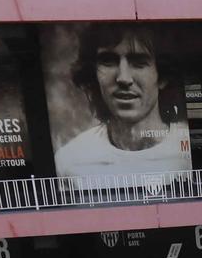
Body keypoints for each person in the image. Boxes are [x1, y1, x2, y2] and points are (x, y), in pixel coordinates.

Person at [55, 25, 192, 177]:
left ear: (163, 76)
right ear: (93, 74)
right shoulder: (70, 162)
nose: (123, 78)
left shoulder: (191, 152)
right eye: (108, 61)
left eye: (139, 62)